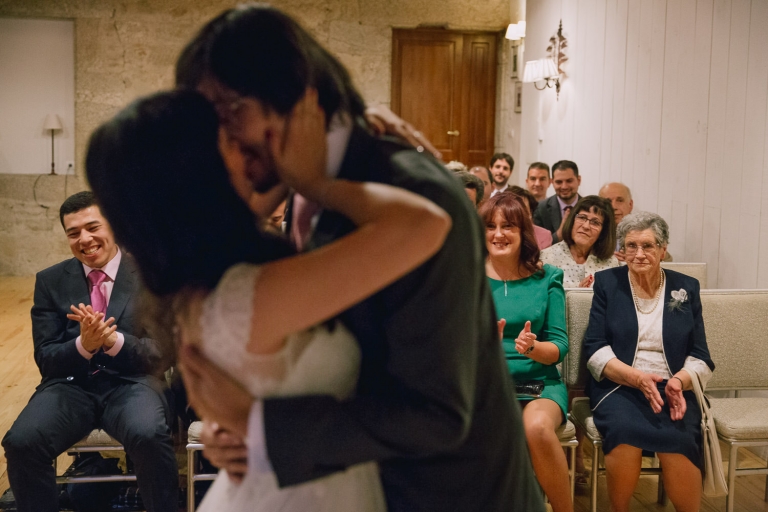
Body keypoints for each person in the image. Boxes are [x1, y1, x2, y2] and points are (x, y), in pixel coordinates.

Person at [173, 6, 544, 511]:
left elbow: (435, 414)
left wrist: (260, 425)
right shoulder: (289, 180)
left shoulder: (413, 192)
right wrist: (235, 426)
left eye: (229, 110)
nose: (221, 138)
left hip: (438, 490)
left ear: (294, 90)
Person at [1, 191, 178, 512]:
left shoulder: (152, 274)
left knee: (148, 434)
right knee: (21, 442)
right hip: (70, 386)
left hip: (134, 383)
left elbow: (164, 354)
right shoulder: (50, 281)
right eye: (73, 233)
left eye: (93, 227)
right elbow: (46, 358)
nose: (85, 239)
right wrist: (84, 345)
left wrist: (114, 342)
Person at [584, 211, 714, 512]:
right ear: (623, 249)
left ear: (663, 249)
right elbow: (594, 347)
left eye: (648, 246)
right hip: (621, 384)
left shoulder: (686, 288)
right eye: (631, 246)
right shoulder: (607, 283)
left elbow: (701, 353)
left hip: (675, 387)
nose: (639, 254)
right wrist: (636, 378)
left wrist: (679, 382)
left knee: (681, 436)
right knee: (624, 431)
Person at [480, 193, 572, 512]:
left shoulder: (547, 277)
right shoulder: (467, 276)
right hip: (485, 383)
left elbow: (559, 347)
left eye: (508, 226)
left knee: (535, 428)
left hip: (539, 383)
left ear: (524, 233)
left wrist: (531, 347)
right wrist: (482, 346)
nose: (498, 234)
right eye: (490, 226)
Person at [540, 196, 618, 288]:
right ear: (572, 220)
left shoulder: (611, 263)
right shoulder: (546, 257)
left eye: (595, 222)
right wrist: (578, 293)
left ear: (603, 232)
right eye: (582, 217)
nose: (586, 226)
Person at [533, 160, 582, 243]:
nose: (564, 186)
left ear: (578, 180)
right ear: (552, 182)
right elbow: (538, 245)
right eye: (559, 182)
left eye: (569, 181)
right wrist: (559, 235)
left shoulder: (590, 207)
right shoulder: (541, 209)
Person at [508, 185, 552, 249]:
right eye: (514, 208)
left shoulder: (544, 235)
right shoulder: (499, 234)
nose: (519, 213)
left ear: (530, 213)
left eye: (523, 209)